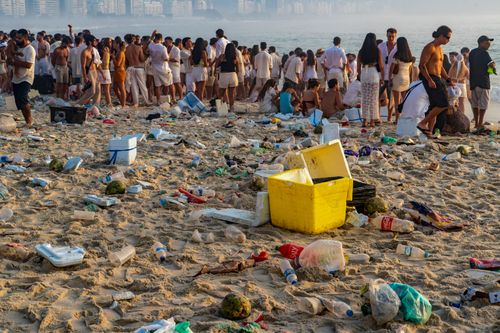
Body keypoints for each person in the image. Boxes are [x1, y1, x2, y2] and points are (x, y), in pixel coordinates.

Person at [417, 26, 454, 136]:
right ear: (441, 35)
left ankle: (430, 130)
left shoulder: (440, 49)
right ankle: (422, 123)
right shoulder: (430, 47)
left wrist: (448, 79)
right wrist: (429, 80)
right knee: (443, 103)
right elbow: (422, 65)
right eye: (447, 37)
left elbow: (440, 66)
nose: (448, 40)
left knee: (434, 105)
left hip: (438, 78)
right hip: (430, 77)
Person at [8, 29, 35, 126]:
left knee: (23, 98)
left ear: (25, 37)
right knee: (18, 101)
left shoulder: (30, 49)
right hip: (16, 77)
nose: (17, 40)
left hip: (26, 77)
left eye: (20, 38)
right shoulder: (17, 48)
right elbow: (9, 60)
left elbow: (28, 65)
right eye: (16, 38)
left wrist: (14, 61)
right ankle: (27, 120)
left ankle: (29, 121)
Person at [469, 35, 496, 131]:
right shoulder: (484, 53)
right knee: (483, 104)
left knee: (475, 104)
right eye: (487, 42)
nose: (489, 44)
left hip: (473, 82)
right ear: (481, 43)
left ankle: (476, 123)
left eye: (489, 43)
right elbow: (491, 65)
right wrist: (494, 66)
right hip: (483, 82)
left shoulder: (472, 52)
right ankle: (480, 123)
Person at [357, 32, 384, 127]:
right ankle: (372, 120)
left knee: (365, 98)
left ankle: (364, 120)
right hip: (373, 73)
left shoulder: (361, 51)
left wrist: (360, 76)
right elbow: (381, 66)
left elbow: (358, 67)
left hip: (365, 72)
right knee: (373, 98)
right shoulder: (377, 50)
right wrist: (382, 78)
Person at [389, 37, 413, 123]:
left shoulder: (397, 55)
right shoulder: (409, 56)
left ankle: (397, 119)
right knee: (405, 100)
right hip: (406, 79)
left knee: (397, 101)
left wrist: (389, 79)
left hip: (398, 78)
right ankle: (406, 116)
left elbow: (392, 68)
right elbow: (410, 69)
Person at [125, 34, 150, 107]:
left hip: (130, 68)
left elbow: (126, 62)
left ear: (126, 40)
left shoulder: (126, 49)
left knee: (134, 87)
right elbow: (142, 59)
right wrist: (147, 55)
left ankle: (136, 103)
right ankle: (146, 101)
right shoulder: (138, 47)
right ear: (134, 40)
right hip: (139, 68)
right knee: (142, 86)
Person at [148, 32, 173, 105]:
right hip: (163, 67)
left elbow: (150, 41)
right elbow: (166, 59)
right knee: (168, 84)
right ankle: (169, 99)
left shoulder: (151, 46)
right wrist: (169, 55)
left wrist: (152, 34)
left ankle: (158, 101)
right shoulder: (163, 47)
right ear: (161, 39)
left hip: (155, 67)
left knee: (157, 85)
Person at [77, 35, 101, 106]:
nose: (96, 42)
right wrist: (85, 77)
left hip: (95, 71)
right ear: (90, 42)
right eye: (94, 40)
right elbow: (83, 66)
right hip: (89, 72)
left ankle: (95, 106)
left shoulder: (93, 51)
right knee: (91, 91)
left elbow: (96, 62)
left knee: (98, 90)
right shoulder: (85, 52)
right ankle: (79, 104)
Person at [378, 28, 397, 118]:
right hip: (381, 75)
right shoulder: (381, 46)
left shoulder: (398, 47)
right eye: (389, 36)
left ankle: (389, 116)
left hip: (393, 76)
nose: (391, 38)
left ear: (395, 36)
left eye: (393, 36)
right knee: (377, 96)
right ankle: (377, 115)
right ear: (386, 35)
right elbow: (377, 60)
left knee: (391, 97)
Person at [216, 42, 239, 111]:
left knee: (221, 93)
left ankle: (219, 108)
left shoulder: (222, 56)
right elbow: (238, 69)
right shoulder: (235, 58)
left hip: (224, 75)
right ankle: (232, 108)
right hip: (233, 75)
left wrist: (216, 73)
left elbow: (216, 65)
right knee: (231, 94)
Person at [165, 36, 182, 101]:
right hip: (168, 67)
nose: (165, 43)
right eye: (165, 42)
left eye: (167, 42)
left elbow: (177, 59)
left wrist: (168, 58)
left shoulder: (176, 49)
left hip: (175, 67)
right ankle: (173, 97)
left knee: (177, 83)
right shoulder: (165, 48)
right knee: (170, 83)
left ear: (171, 42)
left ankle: (180, 97)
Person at [98, 37, 112, 106]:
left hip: (104, 71)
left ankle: (108, 104)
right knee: (105, 90)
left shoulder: (105, 51)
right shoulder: (107, 50)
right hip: (105, 71)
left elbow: (104, 63)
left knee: (104, 90)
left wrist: (98, 64)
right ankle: (108, 104)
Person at [112, 40, 126, 108]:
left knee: (121, 88)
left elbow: (118, 64)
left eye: (114, 43)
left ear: (117, 44)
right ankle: (121, 101)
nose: (113, 44)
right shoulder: (118, 52)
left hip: (120, 71)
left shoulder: (121, 52)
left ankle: (123, 104)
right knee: (115, 88)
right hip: (116, 72)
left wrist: (113, 57)